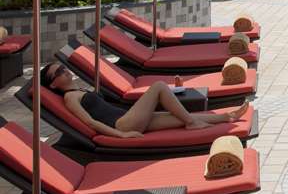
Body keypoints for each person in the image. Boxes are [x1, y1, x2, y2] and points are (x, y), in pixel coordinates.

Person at [40, 62, 248, 139]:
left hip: (127, 117)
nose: (64, 70)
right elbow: (90, 122)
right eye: (58, 72)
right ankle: (193, 123)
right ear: (52, 85)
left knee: (177, 116)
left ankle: (227, 116)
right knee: (158, 85)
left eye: (62, 67)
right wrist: (122, 135)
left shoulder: (79, 88)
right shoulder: (69, 98)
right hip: (123, 124)